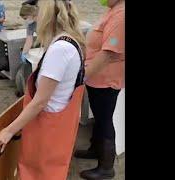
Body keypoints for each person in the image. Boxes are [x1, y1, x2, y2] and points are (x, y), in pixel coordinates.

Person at [0, 0, 85, 179]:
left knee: (39, 172)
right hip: (61, 123)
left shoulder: (60, 49)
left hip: (48, 128)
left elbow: (40, 102)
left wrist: (9, 130)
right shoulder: (71, 40)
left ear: (46, 16)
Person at [74, 0, 125, 179]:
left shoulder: (121, 14)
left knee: (104, 120)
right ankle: (95, 149)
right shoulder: (113, 10)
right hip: (98, 78)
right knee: (99, 116)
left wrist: (83, 76)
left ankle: (106, 168)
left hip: (106, 78)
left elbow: (109, 52)